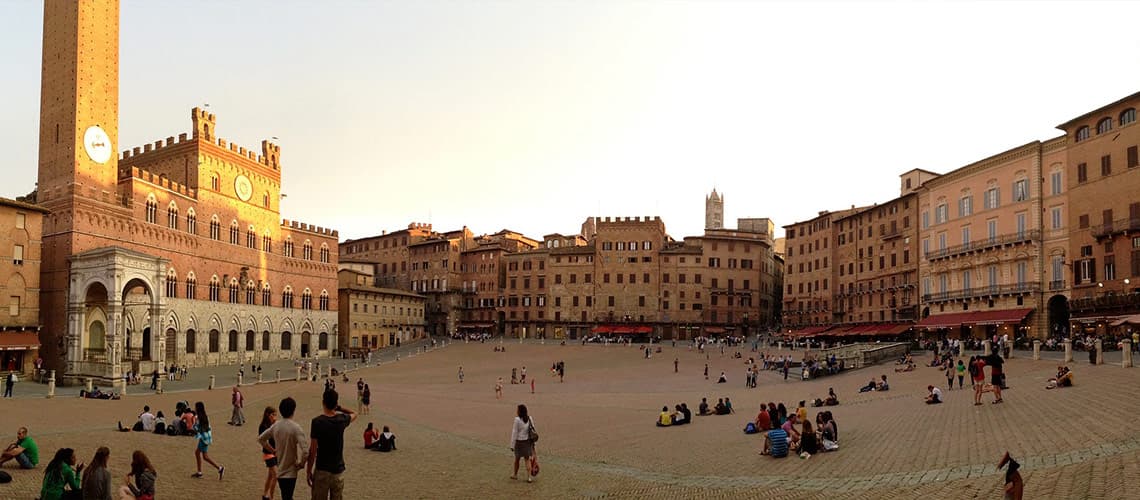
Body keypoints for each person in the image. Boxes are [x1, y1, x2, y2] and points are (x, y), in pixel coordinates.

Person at [307, 389, 357, 500]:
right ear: (335, 403)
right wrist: (339, 408)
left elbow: (313, 450)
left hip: (322, 469)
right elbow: (354, 413)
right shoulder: (341, 420)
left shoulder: (317, 422)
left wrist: (308, 470)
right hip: (338, 470)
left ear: (323, 402)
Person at [258, 397, 309, 500]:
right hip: (291, 471)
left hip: (280, 468)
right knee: (287, 496)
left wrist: (273, 450)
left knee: (286, 495)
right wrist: (301, 464)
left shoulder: (276, 426)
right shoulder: (296, 428)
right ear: (293, 410)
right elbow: (305, 451)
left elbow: (261, 439)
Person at [191, 402, 224, 480]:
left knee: (205, 457)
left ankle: (219, 468)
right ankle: (199, 471)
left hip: (203, 438)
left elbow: (196, 428)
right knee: (198, 453)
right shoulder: (205, 416)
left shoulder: (198, 417)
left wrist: (193, 422)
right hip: (207, 437)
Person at [509, 404, 538, 483]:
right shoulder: (529, 418)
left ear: (519, 411)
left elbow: (514, 432)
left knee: (517, 459)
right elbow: (533, 429)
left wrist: (512, 445)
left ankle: (515, 474)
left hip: (519, 442)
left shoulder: (517, 420)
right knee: (527, 459)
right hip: (527, 441)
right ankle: (529, 477)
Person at [259, 406, 279, 500]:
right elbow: (263, 442)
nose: (274, 416)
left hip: (275, 453)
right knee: (275, 475)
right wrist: (273, 450)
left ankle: (264, 494)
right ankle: (271, 497)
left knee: (270, 476)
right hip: (268, 453)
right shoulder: (263, 426)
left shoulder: (274, 425)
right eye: (272, 414)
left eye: (275, 415)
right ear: (267, 414)